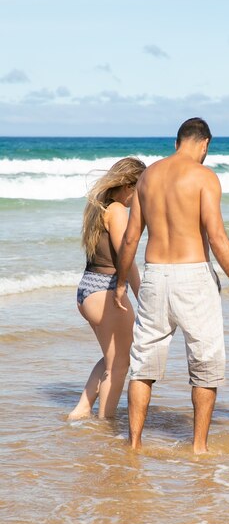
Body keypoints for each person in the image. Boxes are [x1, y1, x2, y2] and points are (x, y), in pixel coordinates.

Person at [114, 117, 229, 453]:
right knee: (205, 364)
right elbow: (217, 237)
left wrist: (121, 282)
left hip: (153, 274)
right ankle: (198, 447)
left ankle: (135, 445)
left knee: (142, 366)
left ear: (177, 141)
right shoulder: (204, 177)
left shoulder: (147, 178)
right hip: (193, 277)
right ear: (205, 143)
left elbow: (129, 239)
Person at [68, 157, 146, 420]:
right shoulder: (116, 210)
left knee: (112, 357)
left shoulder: (96, 206)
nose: (140, 198)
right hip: (105, 289)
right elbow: (127, 258)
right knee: (121, 364)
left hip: (87, 289)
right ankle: (106, 424)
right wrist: (142, 297)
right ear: (128, 186)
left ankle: (81, 409)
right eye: (140, 190)